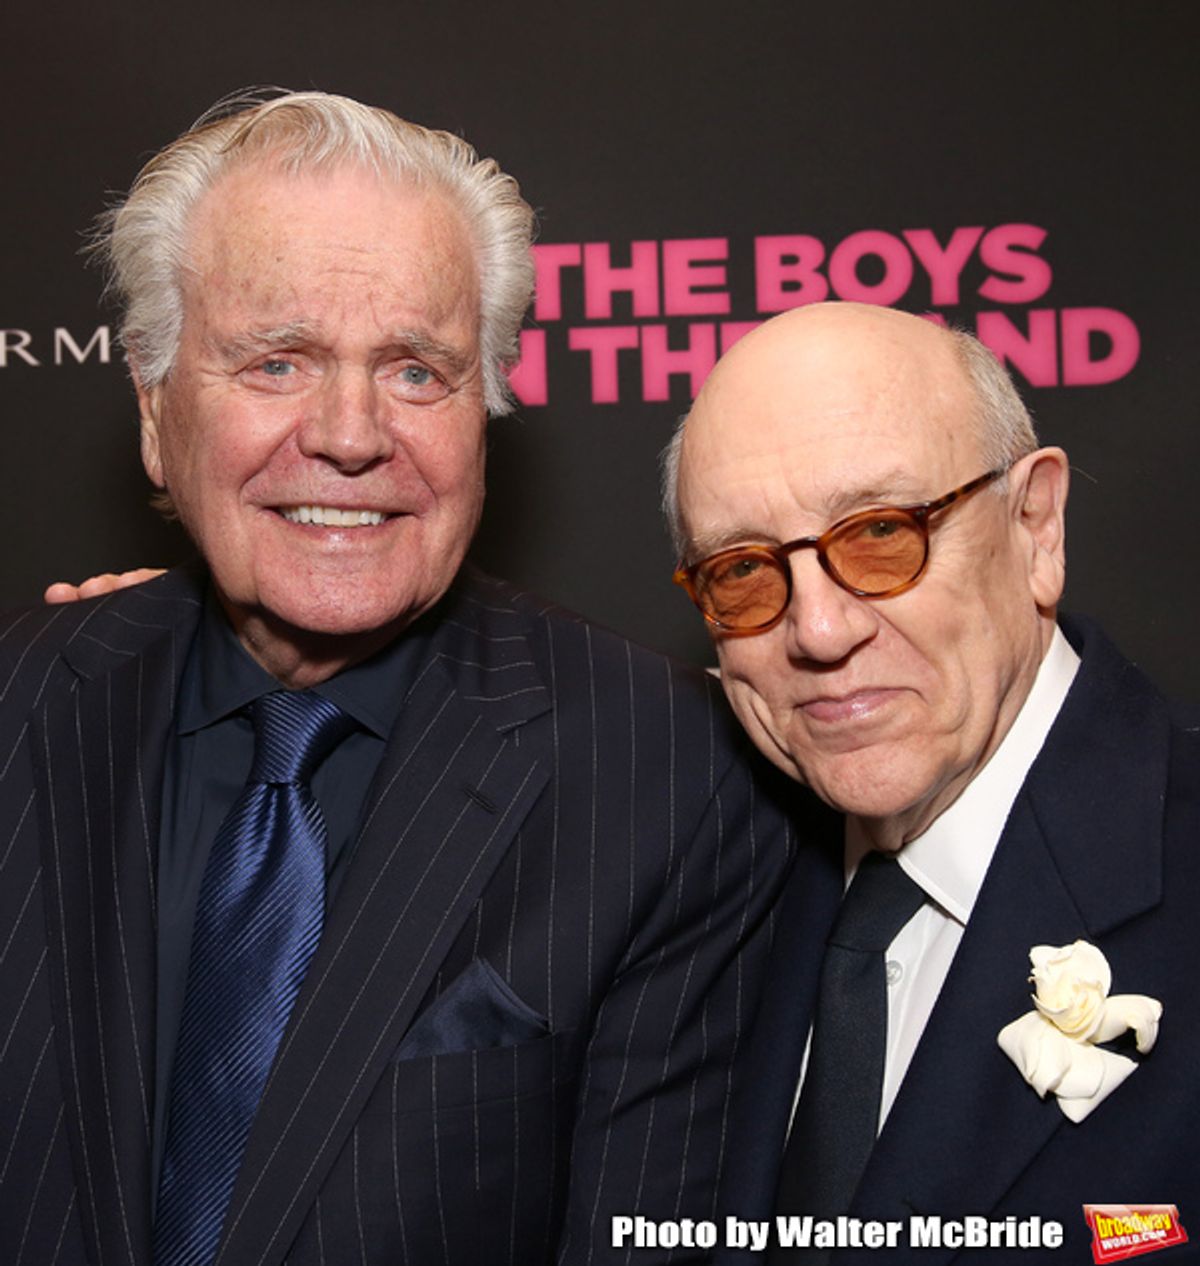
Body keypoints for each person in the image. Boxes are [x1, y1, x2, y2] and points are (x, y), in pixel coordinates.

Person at [0, 91, 798, 1266]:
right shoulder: (20, 712)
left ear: (486, 412)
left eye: (417, 371)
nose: (351, 434)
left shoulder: (671, 779)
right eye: (277, 362)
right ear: (154, 414)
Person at [666, 302, 1200, 1262]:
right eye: (743, 570)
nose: (819, 632)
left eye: (880, 534)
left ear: (1036, 524)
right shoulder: (700, 883)